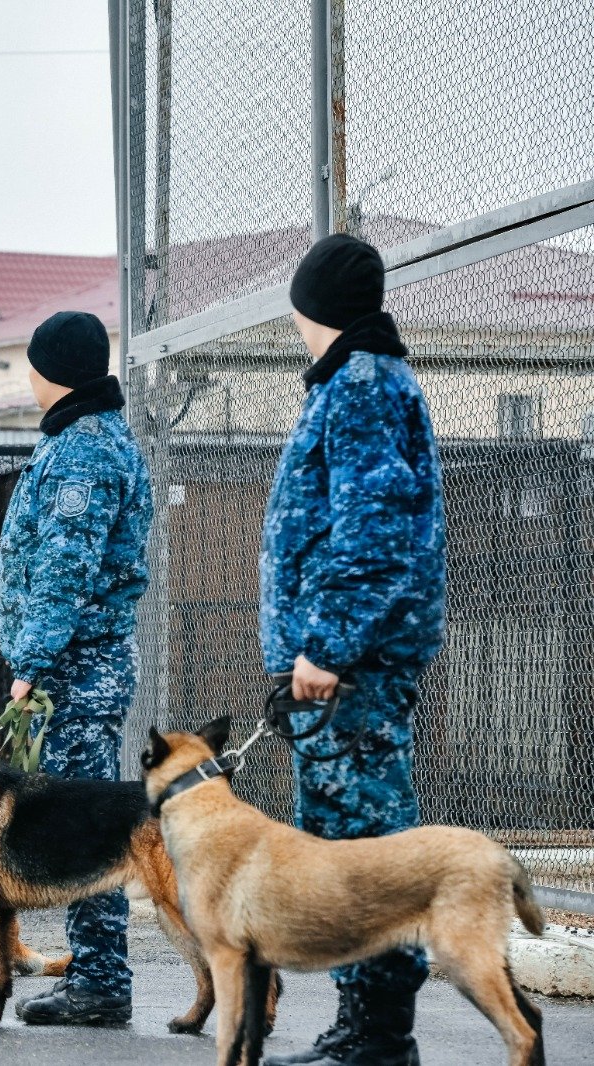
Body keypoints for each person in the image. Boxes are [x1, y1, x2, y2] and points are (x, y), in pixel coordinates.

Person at [259, 235, 445, 1066]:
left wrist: (327, 645)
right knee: (341, 839)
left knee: (364, 845)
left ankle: (378, 1034)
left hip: (354, 667)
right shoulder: (353, 384)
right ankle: (363, 1024)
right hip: (346, 665)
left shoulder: (362, 387)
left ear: (316, 307)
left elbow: (374, 535)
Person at [0, 310, 153, 1027]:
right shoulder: (80, 441)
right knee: (80, 824)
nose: (26, 378)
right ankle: (94, 977)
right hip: (77, 668)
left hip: (74, 674)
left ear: (52, 369)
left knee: (87, 832)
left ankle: (100, 983)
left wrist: (30, 663)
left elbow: (65, 568)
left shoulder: (83, 451)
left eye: (31, 364)